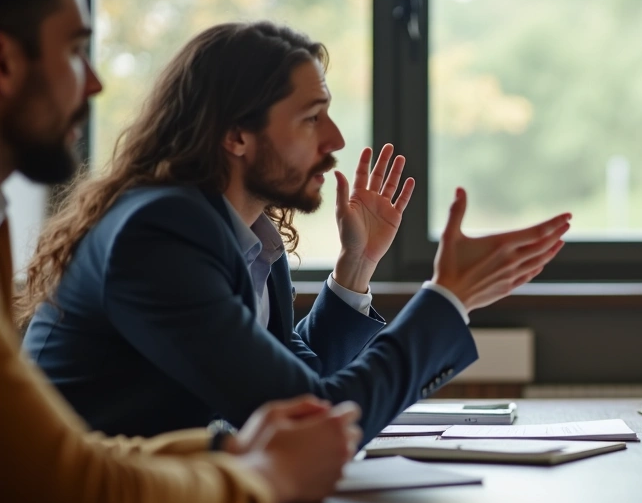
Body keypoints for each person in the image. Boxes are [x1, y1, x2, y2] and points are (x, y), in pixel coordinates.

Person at [16, 25, 569, 442]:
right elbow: (313, 414)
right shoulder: (160, 234)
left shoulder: (250, 236)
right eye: (312, 117)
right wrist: (447, 299)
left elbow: (294, 376)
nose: (335, 139)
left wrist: (355, 269)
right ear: (237, 135)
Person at [0, 0, 362, 503]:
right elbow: (83, 498)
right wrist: (262, 475)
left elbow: (71, 461)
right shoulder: (163, 230)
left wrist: (228, 454)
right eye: (77, 51)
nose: (95, 85)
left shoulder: (249, 237)